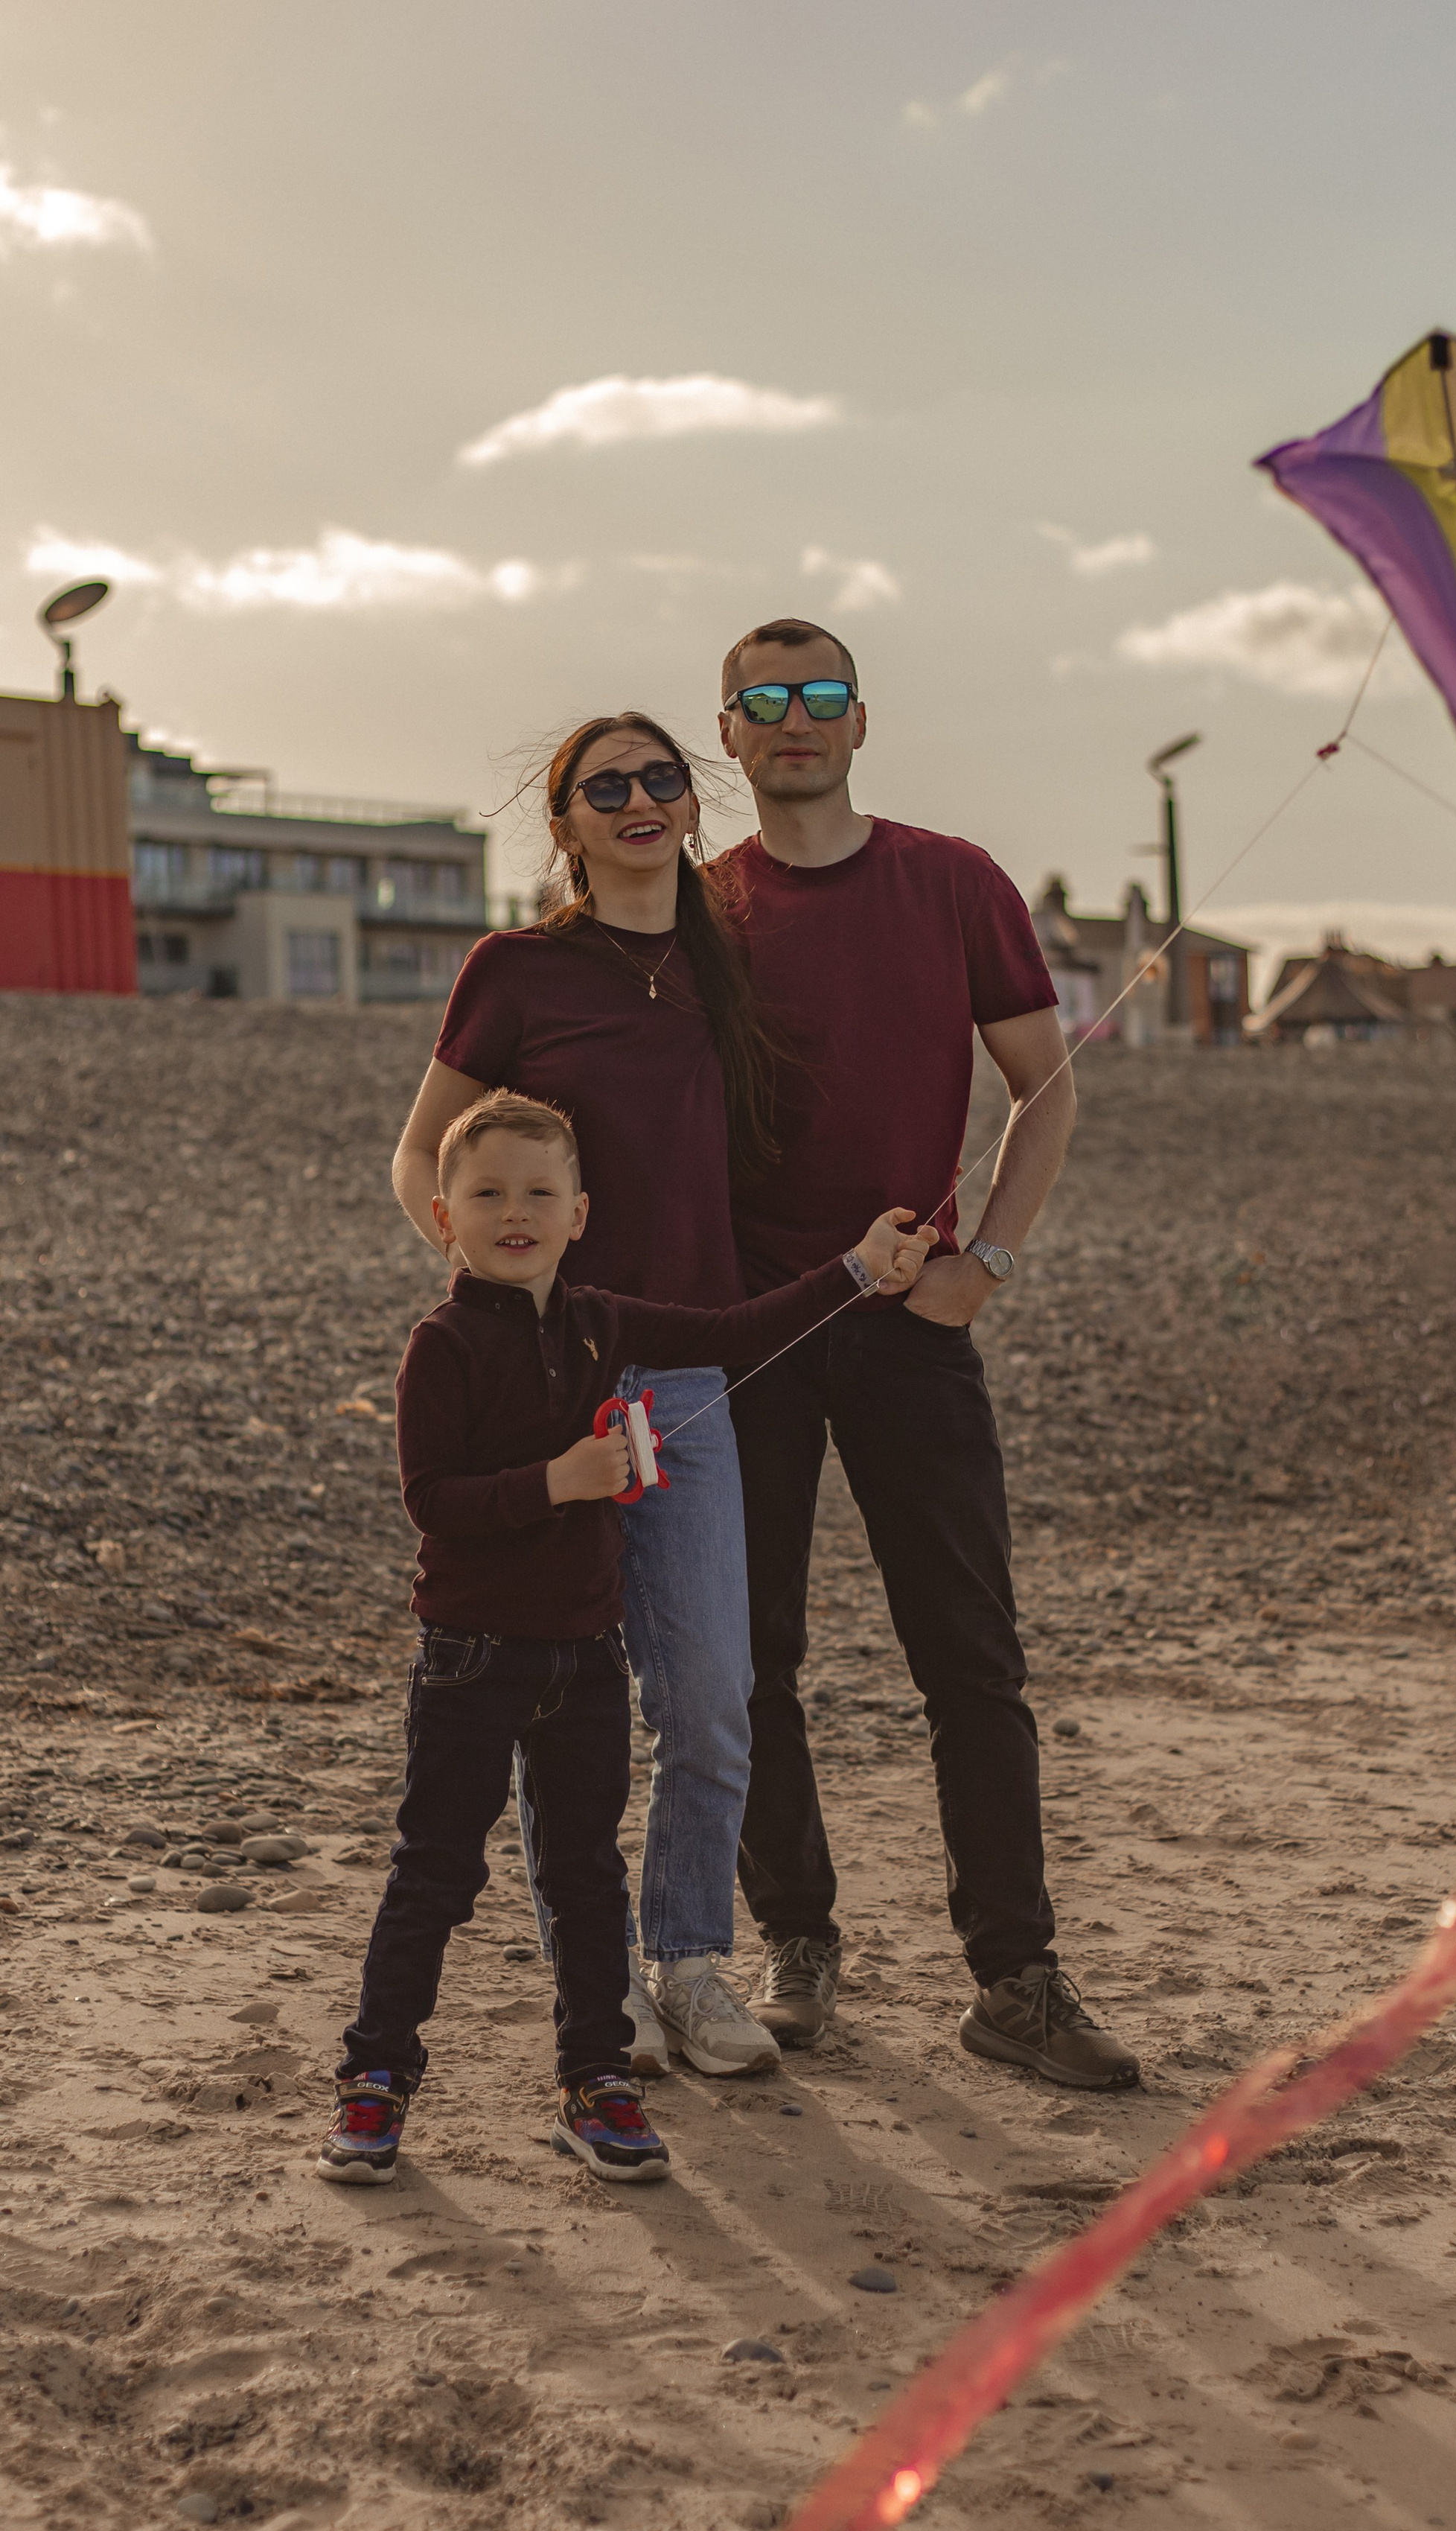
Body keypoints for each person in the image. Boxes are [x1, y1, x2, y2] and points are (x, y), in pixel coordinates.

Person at [319, 1088, 933, 2185]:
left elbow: (735, 1331)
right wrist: (555, 1482)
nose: (518, 1210)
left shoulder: (604, 1322)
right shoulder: (441, 1345)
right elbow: (432, 1498)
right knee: (433, 1873)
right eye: (489, 1192)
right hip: (472, 1659)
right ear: (444, 1215)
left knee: (590, 1876)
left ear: (581, 1212)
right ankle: (374, 2083)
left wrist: (852, 1270)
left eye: (541, 1192)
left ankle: (595, 2081)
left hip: (586, 1659)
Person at [709, 617, 1139, 2092]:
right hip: (752, 1331)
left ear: (860, 719)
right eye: (761, 701)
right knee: (748, 1658)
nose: (793, 720)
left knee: (969, 1660)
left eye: (818, 695)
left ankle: (1014, 1978)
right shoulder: (700, 910)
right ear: (730, 737)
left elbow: (1043, 1089)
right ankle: (797, 1941)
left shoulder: (952, 882)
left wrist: (985, 1265)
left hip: (909, 1329)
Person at [391, 713, 785, 2080]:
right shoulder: (516, 969)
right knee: (546, 1685)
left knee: (708, 1691)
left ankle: (688, 1962)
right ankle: (593, 1981)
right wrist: (507, 1337)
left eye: (659, 778)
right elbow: (418, 1173)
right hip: (553, 1385)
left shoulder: (727, 963)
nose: (636, 799)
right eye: (601, 786)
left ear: (691, 802)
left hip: (682, 1383)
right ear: (562, 825)